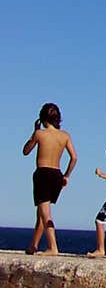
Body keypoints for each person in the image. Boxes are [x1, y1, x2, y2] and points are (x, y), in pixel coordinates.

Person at [22, 103, 77, 255]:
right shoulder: (65, 135)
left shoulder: (40, 134)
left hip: (43, 173)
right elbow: (74, 157)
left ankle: (53, 247)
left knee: (46, 213)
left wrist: (34, 132)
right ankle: (33, 245)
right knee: (41, 211)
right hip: (57, 174)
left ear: (43, 118)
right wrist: (66, 175)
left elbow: (25, 151)